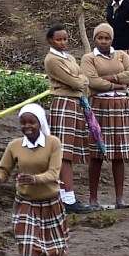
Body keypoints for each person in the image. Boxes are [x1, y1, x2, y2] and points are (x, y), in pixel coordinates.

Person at [0, 103, 68, 256]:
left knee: (52, 253)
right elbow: (3, 168)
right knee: (26, 247)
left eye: (31, 122)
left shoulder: (53, 143)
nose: (27, 126)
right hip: (25, 203)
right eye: (23, 122)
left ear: (40, 123)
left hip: (51, 204)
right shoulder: (15, 145)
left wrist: (34, 179)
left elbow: (54, 173)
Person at [81, 22, 129, 208]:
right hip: (99, 106)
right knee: (96, 153)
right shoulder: (88, 58)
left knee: (119, 154)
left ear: (112, 39)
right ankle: (93, 199)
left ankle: (120, 198)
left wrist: (109, 78)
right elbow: (92, 82)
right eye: (100, 38)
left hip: (121, 106)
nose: (104, 41)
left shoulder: (122, 55)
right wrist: (117, 84)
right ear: (95, 39)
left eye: (107, 38)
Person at [42, 24, 92, 208]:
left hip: (74, 104)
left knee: (69, 153)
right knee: (64, 153)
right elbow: (76, 81)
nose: (63, 42)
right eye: (58, 39)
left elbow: (82, 79)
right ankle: (67, 197)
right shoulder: (52, 60)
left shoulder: (69, 57)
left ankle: (66, 195)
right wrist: (80, 79)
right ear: (50, 40)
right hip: (63, 103)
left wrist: (80, 79)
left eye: (65, 39)